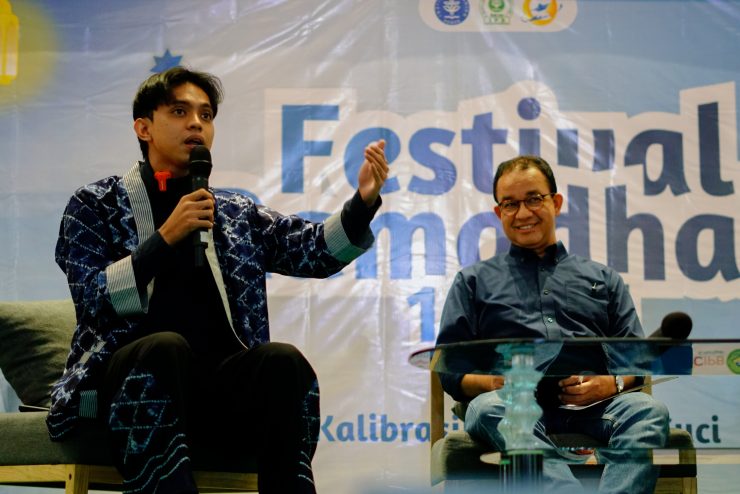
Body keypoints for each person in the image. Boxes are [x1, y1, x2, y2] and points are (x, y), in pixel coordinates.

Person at [48, 66, 389, 494]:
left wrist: (362, 204)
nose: (196, 124)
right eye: (180, 111)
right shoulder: (94, 204)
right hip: (126, 383)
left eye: (206, 115)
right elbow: (91, 297)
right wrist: (164, 240)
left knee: (282, 361)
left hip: (219, 391)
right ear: (144, 128)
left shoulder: (233, 211)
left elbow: (313, 251)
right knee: (164, 346)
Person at [435, 155, 669, 493]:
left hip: (595, 407)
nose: (523, 213)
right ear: (499, 213)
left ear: (556, 203)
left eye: (534, 198)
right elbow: (449, 369)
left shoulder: (603, 279)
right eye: (510, 204)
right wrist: (497, 382)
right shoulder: (473, 282)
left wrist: (610, 384)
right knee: (489, 407)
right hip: (509, 406)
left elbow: (634, 360)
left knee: (648, 411)